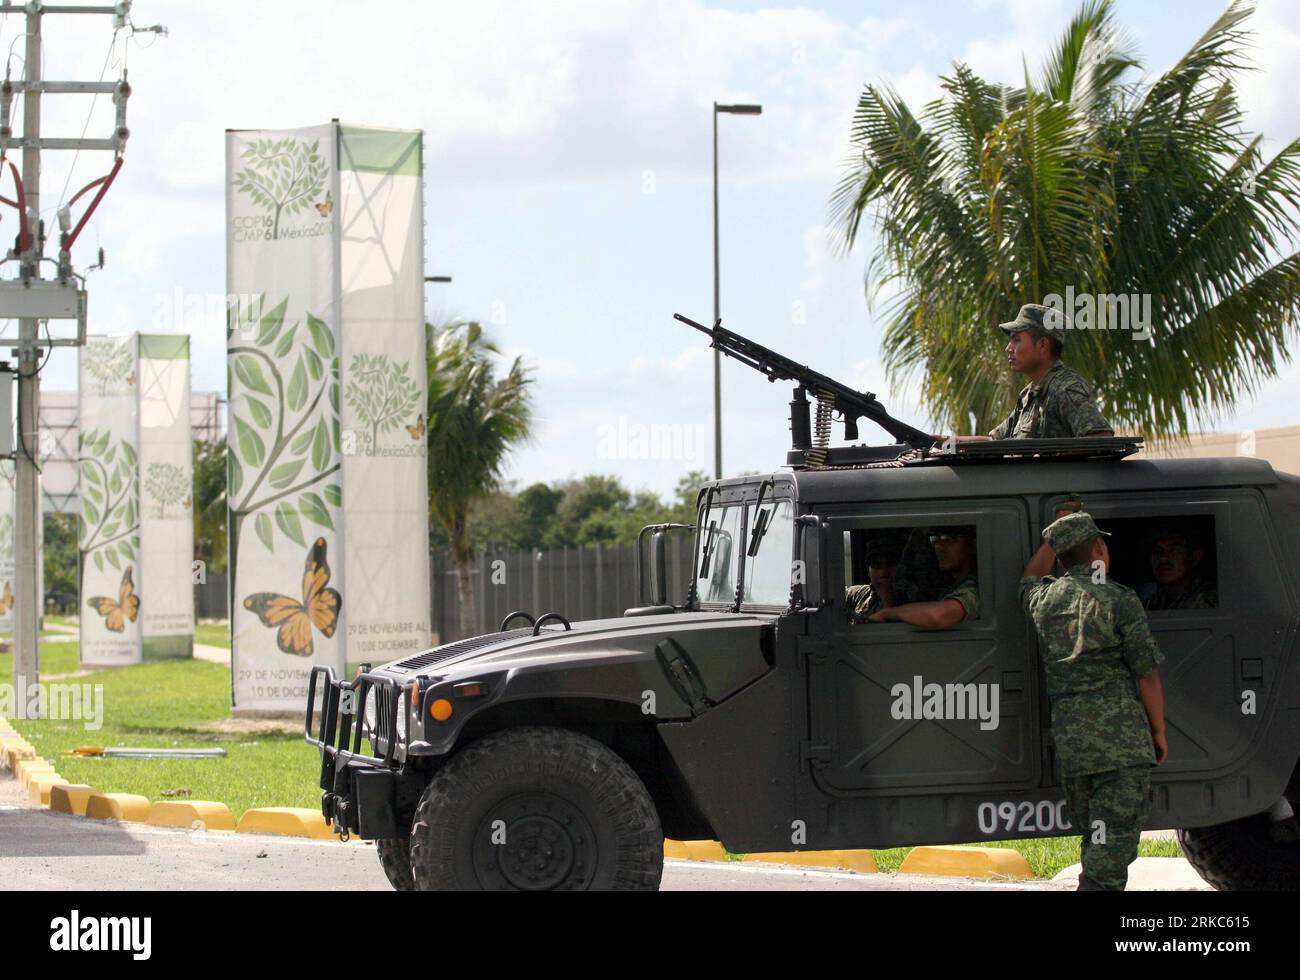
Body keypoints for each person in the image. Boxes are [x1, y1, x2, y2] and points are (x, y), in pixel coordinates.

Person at [1021, 510, 1168, 891]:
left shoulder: (1045, 600)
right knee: (1111, 847)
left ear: (1061, 554)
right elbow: (1146, 673)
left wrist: (1055, 538)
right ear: (1099, 547)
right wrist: (1159, 731)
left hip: (1074, 746)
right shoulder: (1120, 599)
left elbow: (1029, 578)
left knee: (1097, 838)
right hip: (1122, 746)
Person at [934, 304, 1113, 445]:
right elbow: (994, 441)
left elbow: (1101, 438)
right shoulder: (1030, 394)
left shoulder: (1066, 387)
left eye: (1016, 340)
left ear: (1042, 345)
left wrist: (1052, 461)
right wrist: (939, 441)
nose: (1008, 348)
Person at [867, 527, 978, 629]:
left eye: (950, 540)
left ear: (973, 545)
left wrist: (887, 613)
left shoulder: (976, 588)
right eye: (936, 539)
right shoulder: (948, 585)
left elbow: (938, 616)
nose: (939, 547)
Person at [1142, 528, 1218, 611]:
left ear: (1195, 557)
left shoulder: (1212, 599)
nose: (1163, 558)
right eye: (1157, 551)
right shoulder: (1149, 602)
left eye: (1174, 550)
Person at [846, 540, 901, 623]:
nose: (883, 573)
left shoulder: (912, 600)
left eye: (890, 565)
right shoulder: (861, 594)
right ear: (869, 571)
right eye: (876, 566)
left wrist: (888, 600)